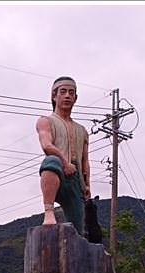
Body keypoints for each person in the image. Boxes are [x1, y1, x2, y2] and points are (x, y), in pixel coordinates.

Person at [36, 76, 91, 235]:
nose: (67, 95)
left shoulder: (82, 130)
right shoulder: (46, 121)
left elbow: (85, 160)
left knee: (78, 230)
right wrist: (65, 163)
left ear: (75, 98)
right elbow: (47, 146)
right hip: (58, 171)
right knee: (50, 161)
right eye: (63, 92)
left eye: (71, 93)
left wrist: (87, 184)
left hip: (75, 178)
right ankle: (49, 211)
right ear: (54, 95)